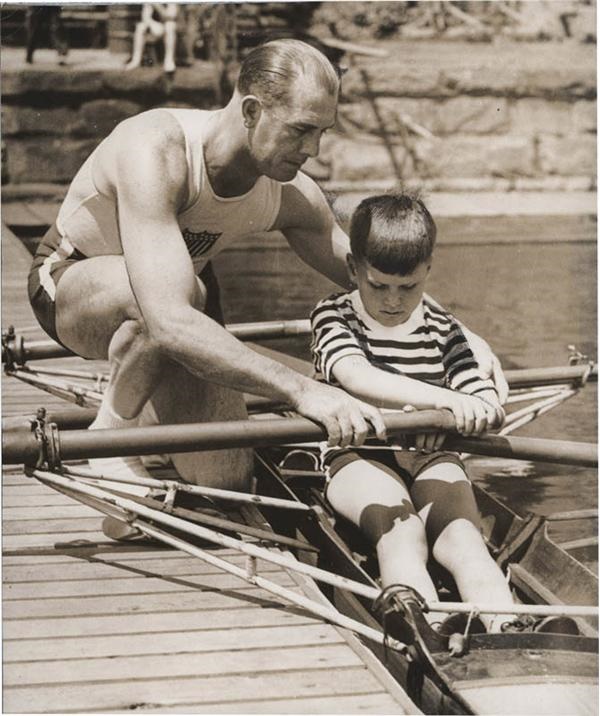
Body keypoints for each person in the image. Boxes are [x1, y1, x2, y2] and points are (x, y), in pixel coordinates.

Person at [27, 40, 502, 539]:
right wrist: (305, 391)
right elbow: (166, 316)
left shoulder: (289, 192)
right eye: (301, 130)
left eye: (322, 132)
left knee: (227, 477)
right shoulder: (155, 148)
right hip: (71, 286)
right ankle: (108, 440)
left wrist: (465, 338)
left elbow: (375, 278)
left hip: (181, 304)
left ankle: (145, 405)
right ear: (252, 110)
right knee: (175, 297)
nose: (313, 150)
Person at [310, 192, 520, 637]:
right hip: (360, 454)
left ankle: (509, 624)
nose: (392, 301)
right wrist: (438, 403)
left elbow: (481, 395)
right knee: (400, 532)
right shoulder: (333, 315)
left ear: (427, 270)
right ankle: (427, 627)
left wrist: (473, 410)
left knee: (465, 541)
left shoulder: (445, 329)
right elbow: (355, 375)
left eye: (409, 288)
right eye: (378, 285)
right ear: (353, 269)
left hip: (431, 455)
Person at [125, 4, 178, 74]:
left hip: (170, 26)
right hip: (155, 27)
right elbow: (145, 17)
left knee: (170, 26)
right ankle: (136, 61)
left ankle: (169, 61)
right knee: (140, 27)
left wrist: (157, 5)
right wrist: (153, 24)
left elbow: (171, 16)